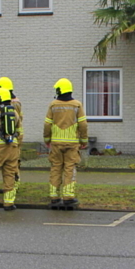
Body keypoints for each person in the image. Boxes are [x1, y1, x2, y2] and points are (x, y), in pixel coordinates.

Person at [44, 77, 88, 208]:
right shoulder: (77, 105)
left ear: (60, 90)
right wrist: (83, 140)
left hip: (56, 143)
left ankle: (54, 197)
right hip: (72, 143)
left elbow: (47, 124)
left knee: (56, 168)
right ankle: (68, 197)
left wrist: (47, 139)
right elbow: (83, 124)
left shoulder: (53, 105)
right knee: (70, 168)